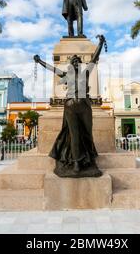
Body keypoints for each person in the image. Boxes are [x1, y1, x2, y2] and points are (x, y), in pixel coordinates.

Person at [33, 35, 106, 178]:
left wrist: (101, 43)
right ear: (71, 65)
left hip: (85, 105)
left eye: (78, 61)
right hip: (70, 106)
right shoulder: (66, 75)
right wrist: (40, 61)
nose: (76, 63)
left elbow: (94, 58)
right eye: (74, 61)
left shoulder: (85, 73)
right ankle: (77, 163)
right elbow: (52, 69)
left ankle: (88, 160)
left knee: (87, 133)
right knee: (74, 135)